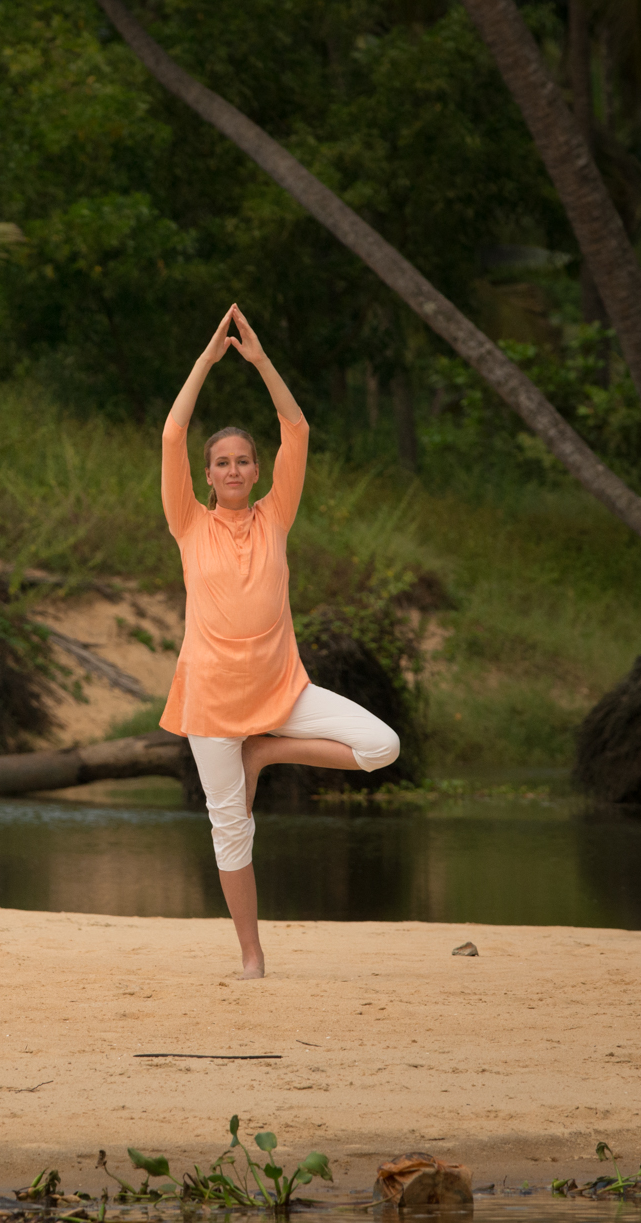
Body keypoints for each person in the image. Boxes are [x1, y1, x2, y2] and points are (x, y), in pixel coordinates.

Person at [160, 305, 400, 978]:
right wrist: (208, 361)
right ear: (207, 476)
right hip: (210, 700)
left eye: (243, 461)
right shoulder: (188, 522)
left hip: (281, 690)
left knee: (383, 746)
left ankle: (267, 752)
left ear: (259, 471)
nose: (233, 470)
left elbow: (296, 426)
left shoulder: (276, 515)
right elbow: (173, 431)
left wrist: (261, 360)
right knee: (230, 827)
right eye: (222, 463)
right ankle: (252, 955)